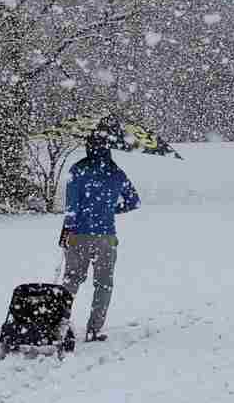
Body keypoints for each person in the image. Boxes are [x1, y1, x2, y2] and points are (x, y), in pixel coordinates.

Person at [58, 126, 141, 343]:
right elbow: (134, 201)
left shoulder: (77, 170)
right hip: (106, 237)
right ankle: (94, 329)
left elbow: (71, 207)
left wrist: (67, 230)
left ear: (88, 147)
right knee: (103, 284)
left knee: (71, 280)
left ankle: (58, 323)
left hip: (78, 236)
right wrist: (109, 210)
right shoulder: (116, 172)